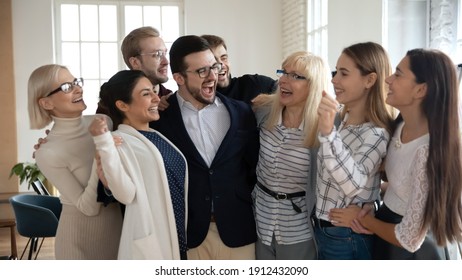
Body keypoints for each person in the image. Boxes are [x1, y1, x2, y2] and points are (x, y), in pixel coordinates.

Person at [331, 48, 462, 259]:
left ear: (421, 90)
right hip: (385, 227)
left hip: (409, 251)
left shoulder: (427, 152)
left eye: (398, 74)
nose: (388, 79)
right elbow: (403, 186)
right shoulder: (399, 126)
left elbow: (409, 239)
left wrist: (362, 219)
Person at [150, 35, 260, 260]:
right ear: (179, 77)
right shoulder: (160, 121)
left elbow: (252, 168)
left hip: (239, 230)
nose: (213, 76)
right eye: (202, 71)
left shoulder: (241, 112)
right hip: (189, 235)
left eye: (215, 67)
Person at [89, 70, 188, 260]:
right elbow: (125, 194)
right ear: (122, 105)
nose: (156, 98)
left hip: (178, 239)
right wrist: (103, 142)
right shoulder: (117, 142)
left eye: (153, 91)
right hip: (152, 245)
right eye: (145, 94)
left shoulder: (157, 136)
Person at [28, 64, 122, 259]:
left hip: (119, 232)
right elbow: (87, 207)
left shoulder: (104, 121)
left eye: (75, 82)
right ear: (46, 103)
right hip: (78, 243)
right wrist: (101, 152)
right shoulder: (47, 152)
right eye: (66, 87)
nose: (78, 89)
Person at [314, 42, 395, 259]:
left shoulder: (377, 133)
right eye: (335, 72)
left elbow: (353, 184)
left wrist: (328, 132)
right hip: (327, 232)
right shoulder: (344, 120)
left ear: (369, 80)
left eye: (344, 73)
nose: (334, 79)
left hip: (346, 236)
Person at [251, 51, 330, 259]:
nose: (283, 80)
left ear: (313, 85)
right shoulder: (264, 110)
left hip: (299, 229)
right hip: (260, 222)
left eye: (295, 76)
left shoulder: (326, 126)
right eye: (284, 73)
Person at [96, 26, 172, 115]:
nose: (166, 62)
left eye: (165, 53)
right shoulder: (113, 100)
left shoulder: (169, 99)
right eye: (157, 54)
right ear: (135, 62)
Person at [201, 34, 277, 104]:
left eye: (224, 58)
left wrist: (272, 98)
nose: (222, 65)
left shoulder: (252, 84)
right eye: (214, 61)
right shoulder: (198, 98)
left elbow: (286, 90)